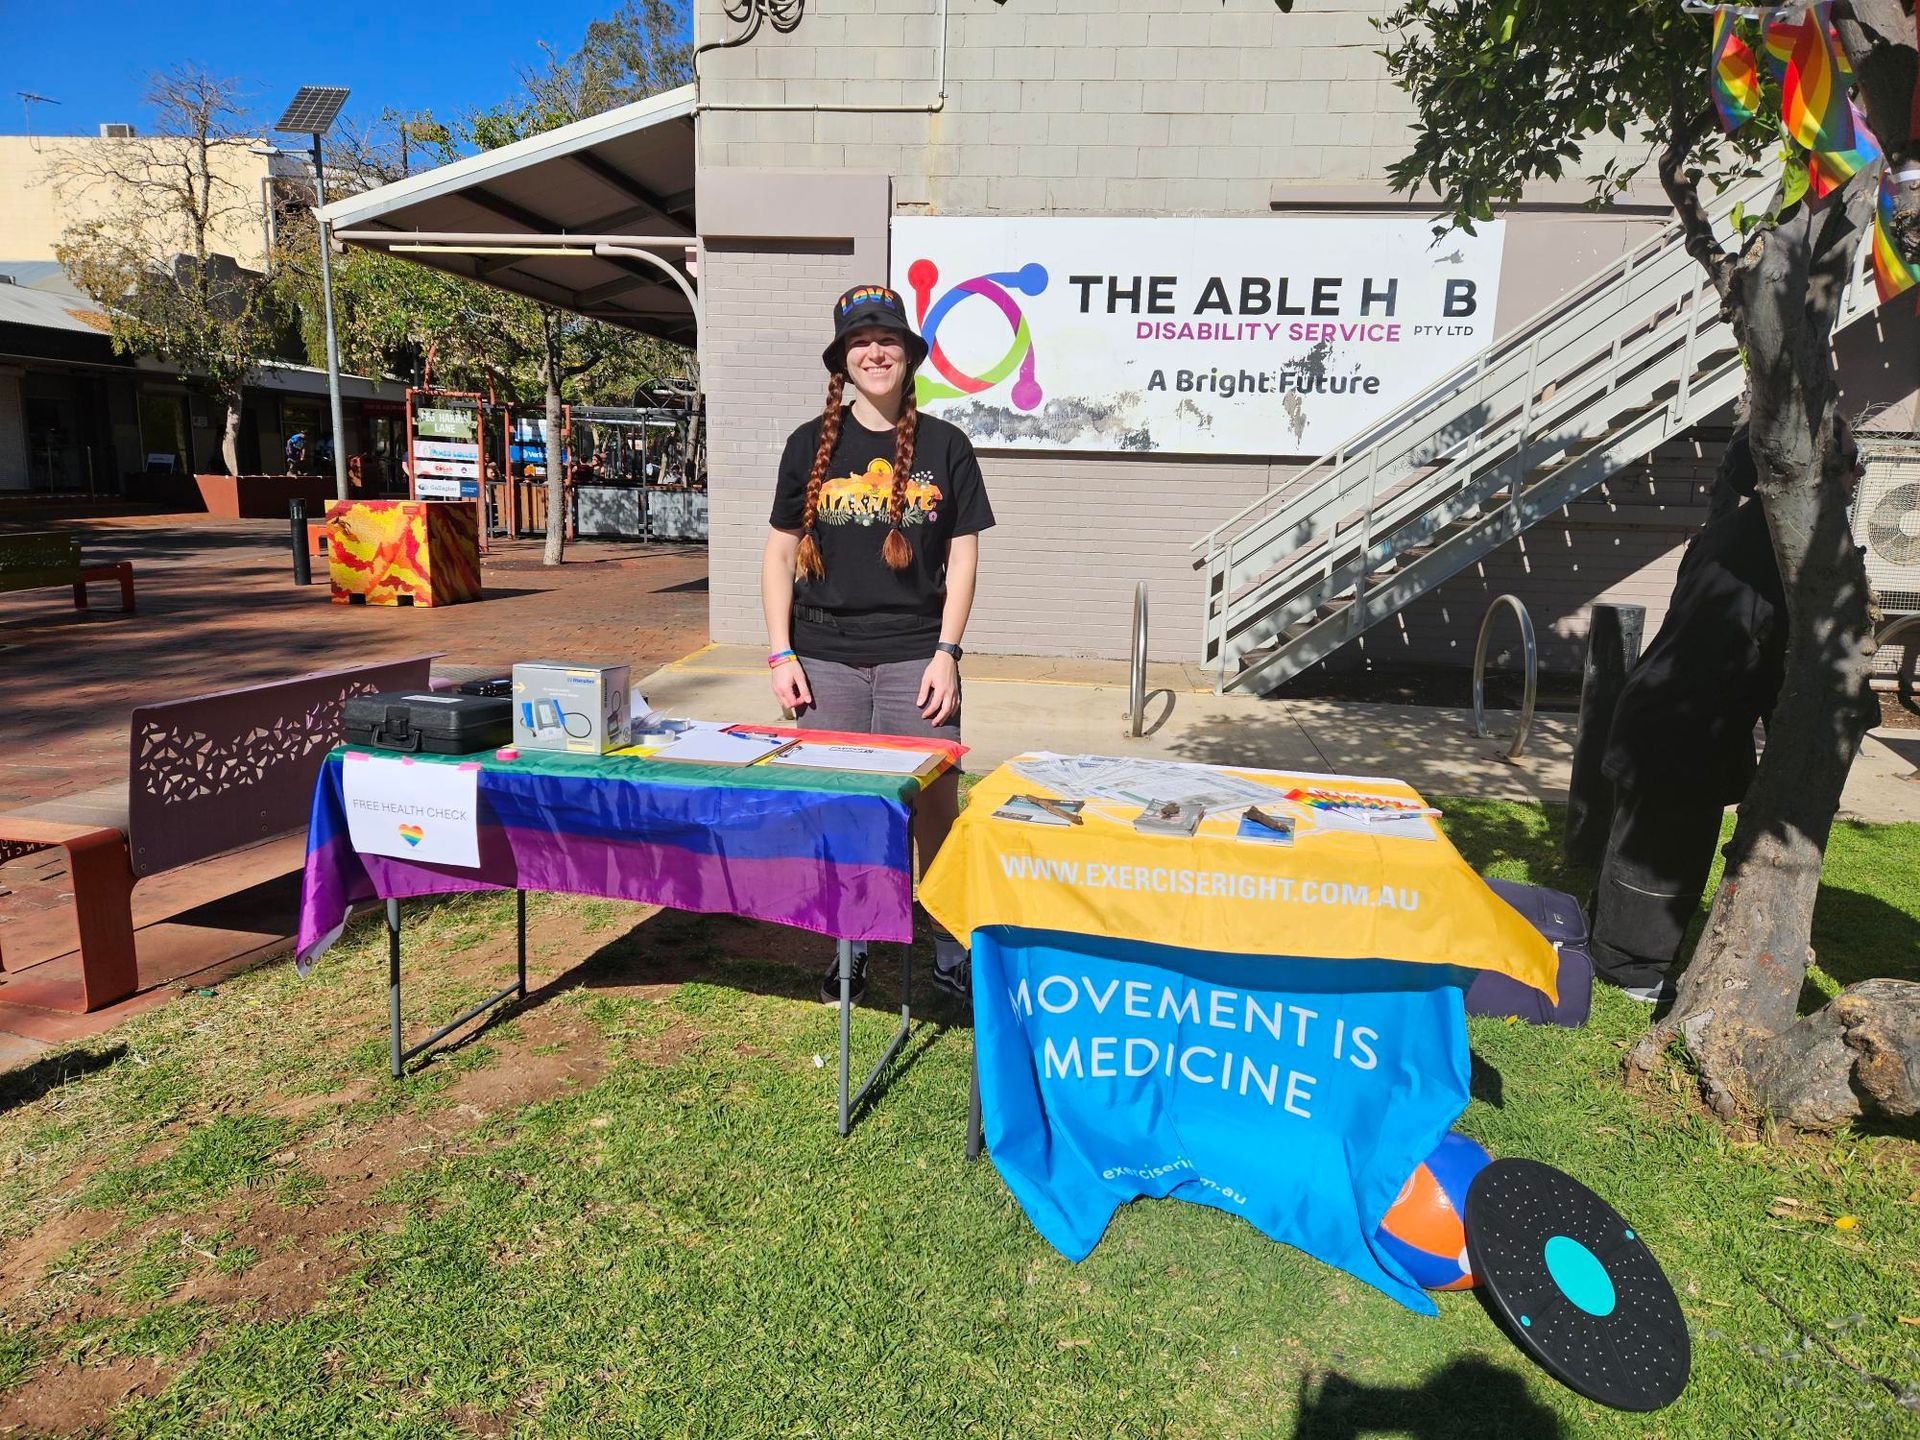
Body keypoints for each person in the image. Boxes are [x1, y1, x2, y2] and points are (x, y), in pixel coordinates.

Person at [763, 283, 995, 1004]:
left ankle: (950, 950)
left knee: (934, 807)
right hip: (825, 656)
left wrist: (948, 654)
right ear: (843, 360)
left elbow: (961, 558)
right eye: (860, 342)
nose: (874, 351)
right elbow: (777, 556)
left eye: (887, 339)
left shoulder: (946, 446)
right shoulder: (808, 445)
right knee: (845, 809)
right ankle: (849, 946)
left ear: (908, 354)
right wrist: (780, 652)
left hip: (916, 658)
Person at [1590, 419, 1865, 1002]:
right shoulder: (1788, 552)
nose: (1857, 475)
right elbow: (1781, 654)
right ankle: (1632, 968)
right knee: (1662, 850)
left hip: (1676, 712)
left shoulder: (1735, 530)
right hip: (1683, 719)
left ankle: (1616, 946)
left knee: (1654, 837)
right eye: (1848, 464)